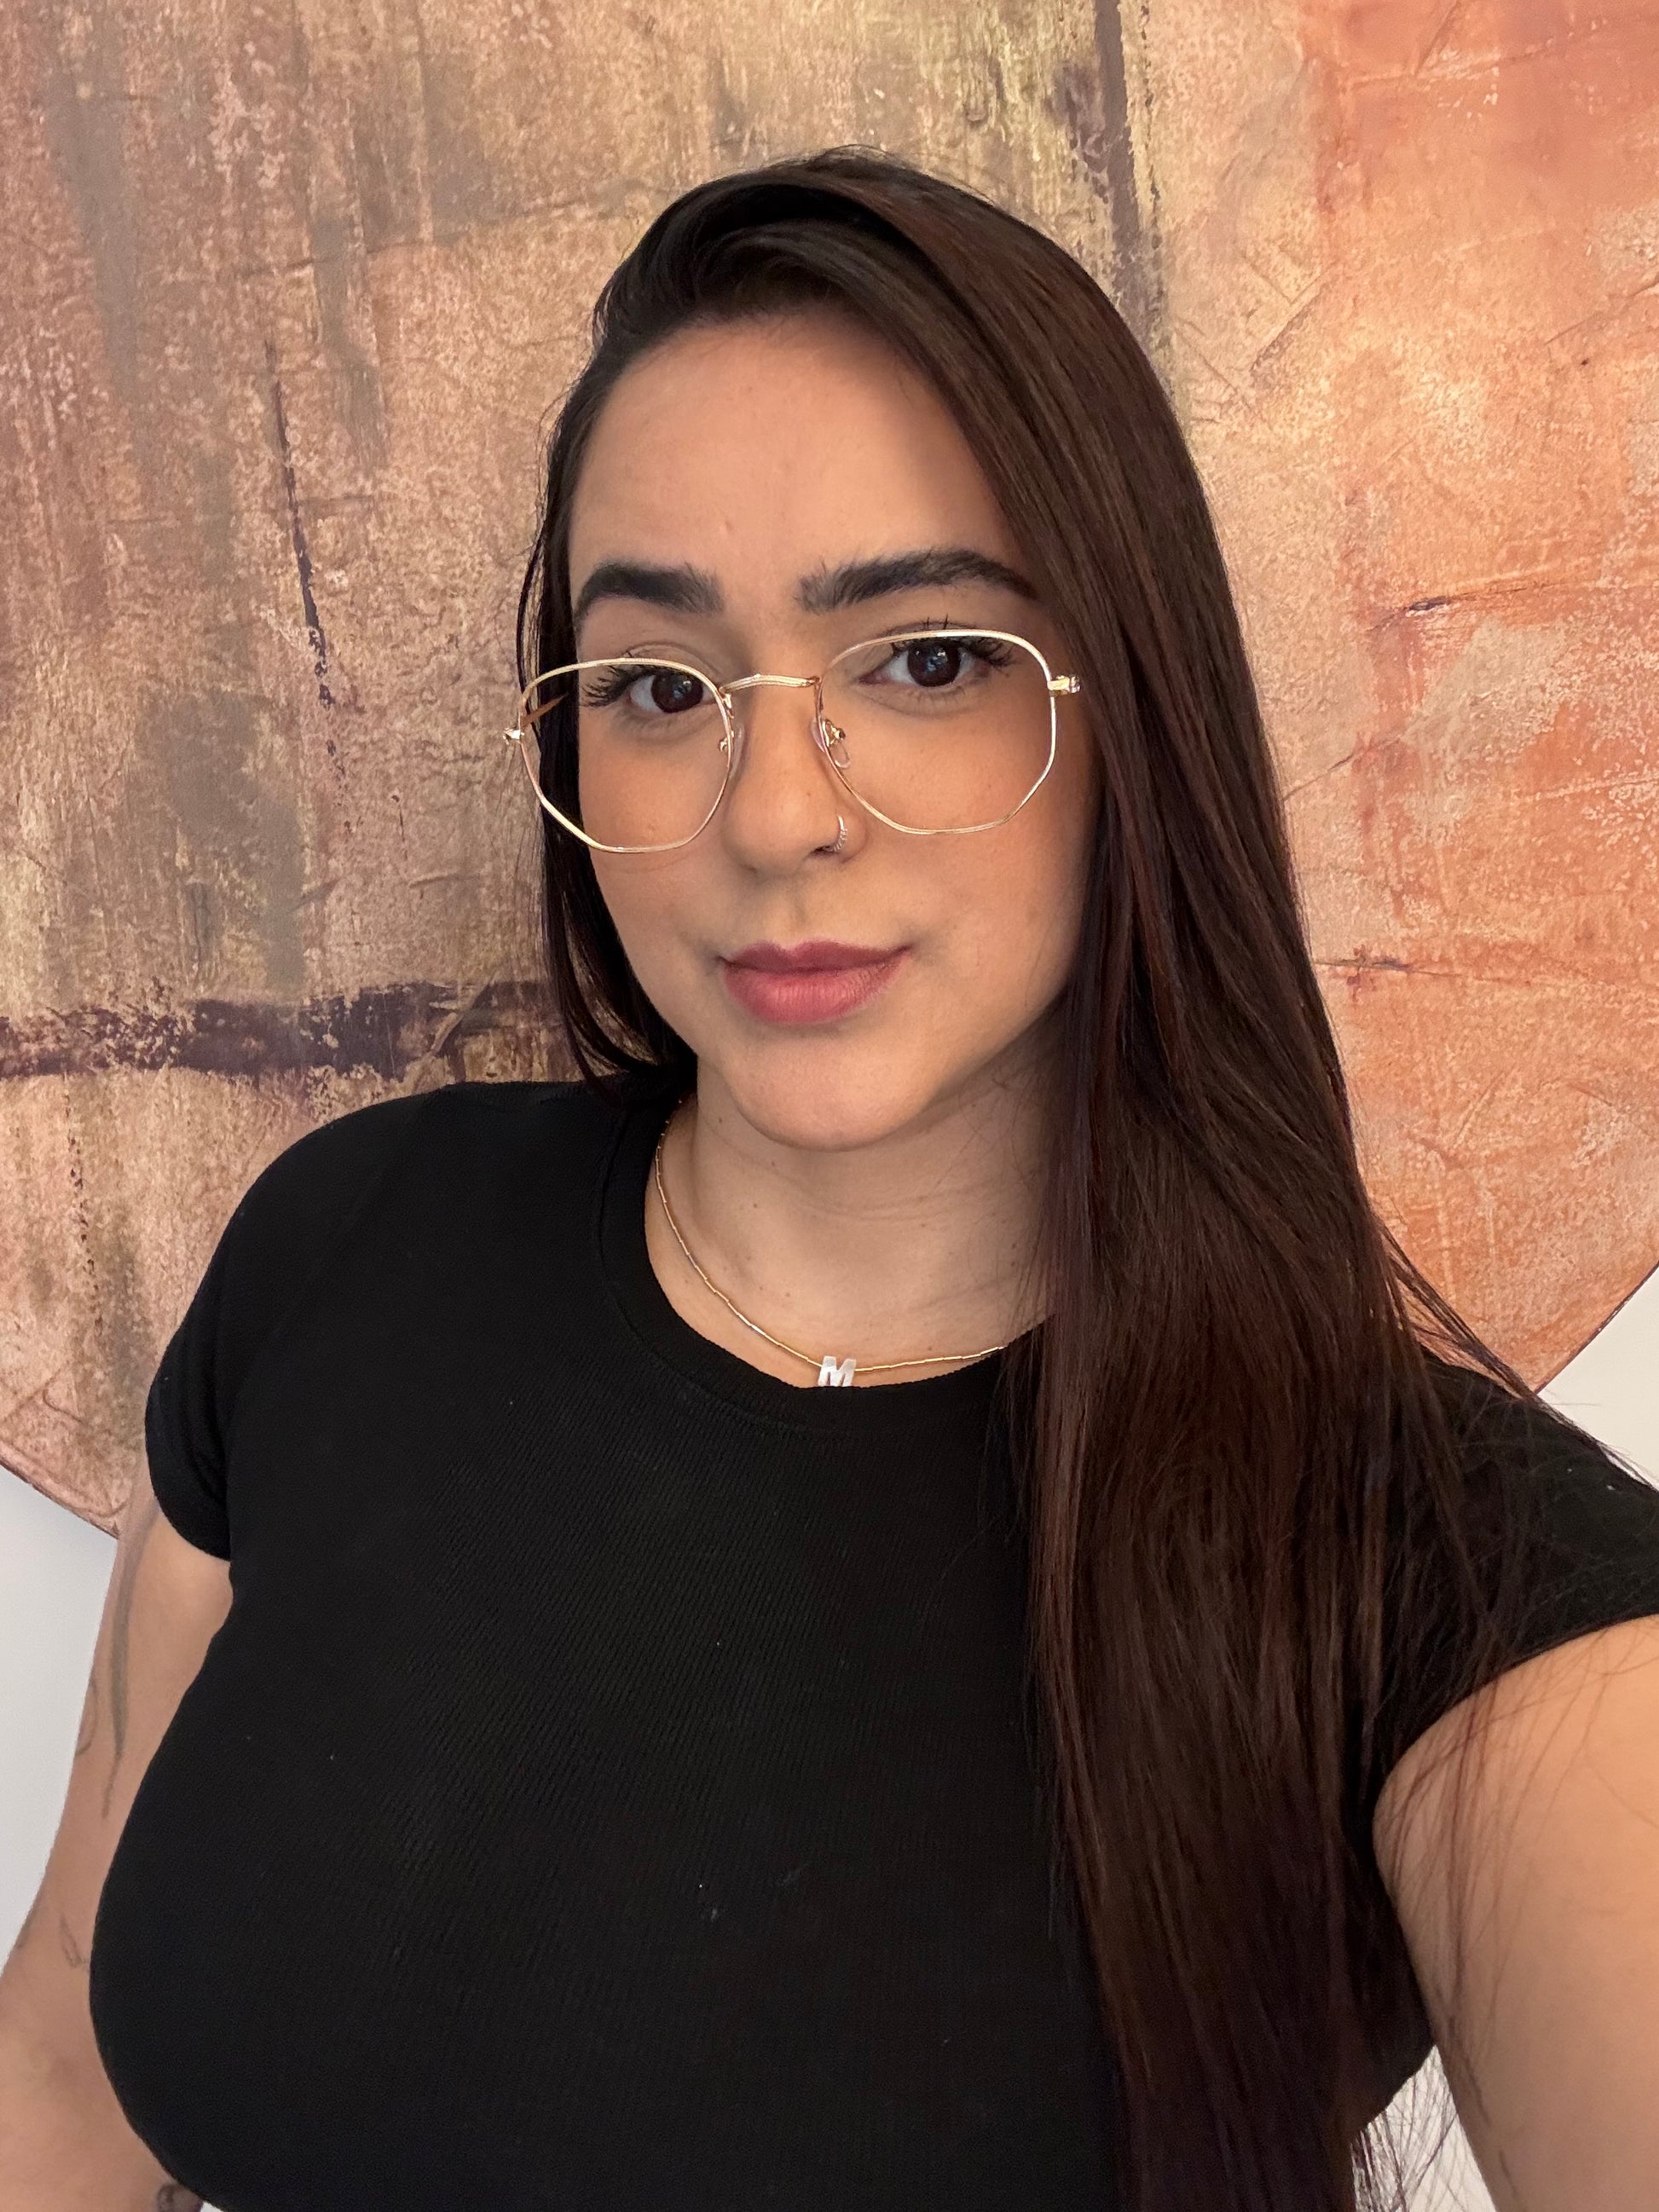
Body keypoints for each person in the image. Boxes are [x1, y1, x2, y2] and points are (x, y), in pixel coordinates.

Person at [3, 147, 1656, 2212]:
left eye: (928, 659)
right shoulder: (350, 1245)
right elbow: (62, 2045)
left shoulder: (1452, 1583)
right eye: (656, 686)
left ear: (1133, 708)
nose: (774, 810)